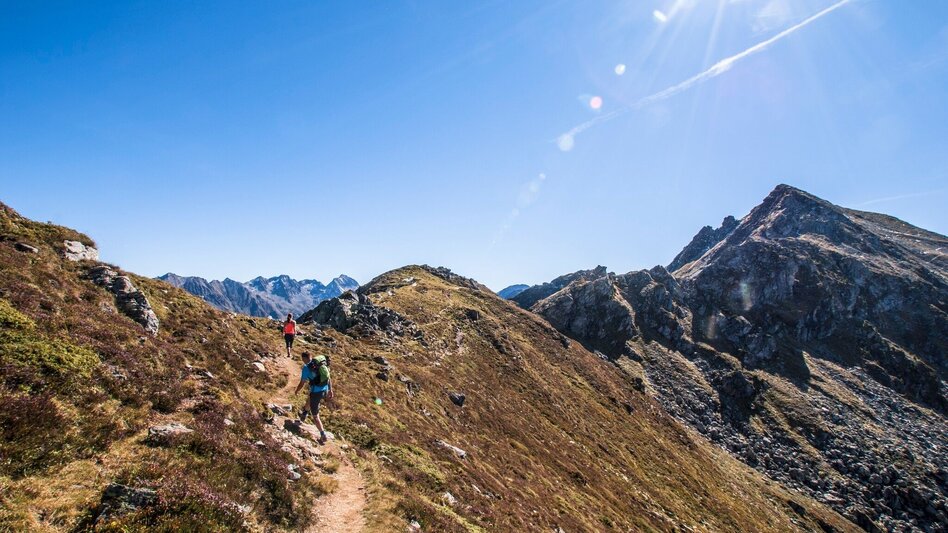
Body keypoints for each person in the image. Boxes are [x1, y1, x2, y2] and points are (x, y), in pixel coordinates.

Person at [295, 351, 333, 444]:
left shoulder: (306, 368)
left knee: (315, 416)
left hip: (317, 392)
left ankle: (323, 434)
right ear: (311, 357)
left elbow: (302, 383)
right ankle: (304, 413)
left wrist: (297, 390)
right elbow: (328, 377)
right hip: (324, 389)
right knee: (310, 396)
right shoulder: (319, 364)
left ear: (304, 359)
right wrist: (330, 390)